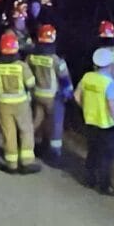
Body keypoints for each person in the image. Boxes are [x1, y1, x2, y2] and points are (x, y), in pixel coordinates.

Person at [0, 32, 40, 174]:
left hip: (3, 104)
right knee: (26, 131)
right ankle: (27, 162)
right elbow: (30, 83)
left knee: (8, 133)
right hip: (21, 103)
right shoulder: (21, 66)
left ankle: (11, 164)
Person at [74, 47, 114, 195]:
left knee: (93, 152)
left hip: (90, 121)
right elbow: (112, 106)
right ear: (109, 65)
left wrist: (86, 108)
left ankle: (89, 180)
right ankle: (105, 186)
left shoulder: (87, 77)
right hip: (106, 124)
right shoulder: (109, 83)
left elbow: (77, 96)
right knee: (107, 156)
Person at [28, 23, 72, 162]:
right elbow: (65, 79)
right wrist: (68, 94)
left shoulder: (31, 57)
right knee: (55, 123)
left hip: (37, 94)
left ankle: (29, 146)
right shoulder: (56, 60)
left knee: (36, 121)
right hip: (52, 96)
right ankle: (54, 153)